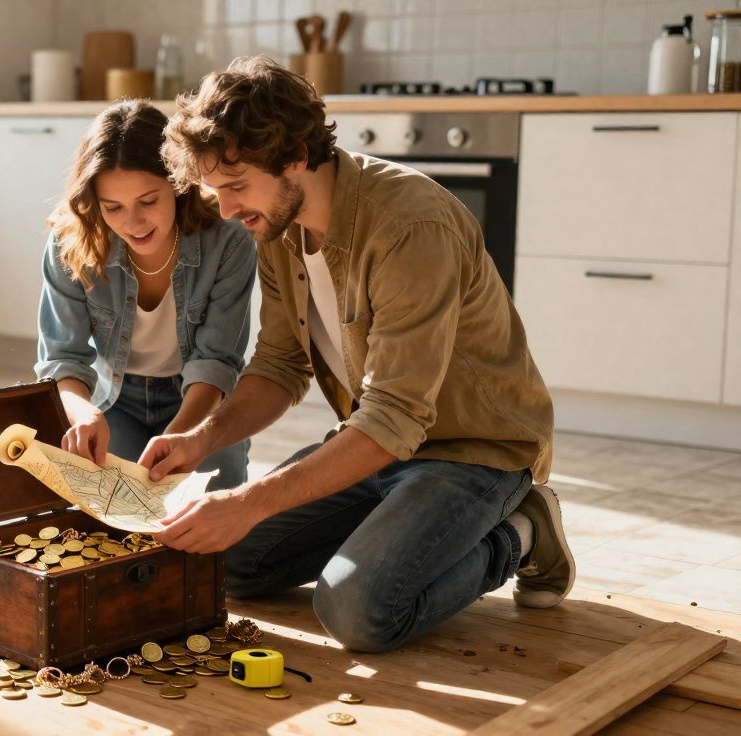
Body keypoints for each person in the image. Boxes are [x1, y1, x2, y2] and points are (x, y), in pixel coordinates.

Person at [140, 56, 573, 652]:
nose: (227, 210)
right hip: (376, 444)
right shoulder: (277, 224)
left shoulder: (410, 226)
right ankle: (395, 526)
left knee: (357, 609)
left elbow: (394, 415)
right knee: (229, 563)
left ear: (294, 155)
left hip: (472, 451)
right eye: (217, 191)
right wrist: (200, 440)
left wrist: (247, 500)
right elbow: (278, 365)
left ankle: (524, 532)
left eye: (236, 186)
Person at [36, 99, 255, 490]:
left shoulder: (228, 239)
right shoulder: (70, 242)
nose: (132, 223)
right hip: (113, 402)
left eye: (148, 202)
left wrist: (184, 438)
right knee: (114, 513)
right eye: (113, 207)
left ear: (178, 185)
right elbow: (61, 360)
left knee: (215, 509)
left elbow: (217, 362)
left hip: (201, 401)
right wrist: (83, 413)